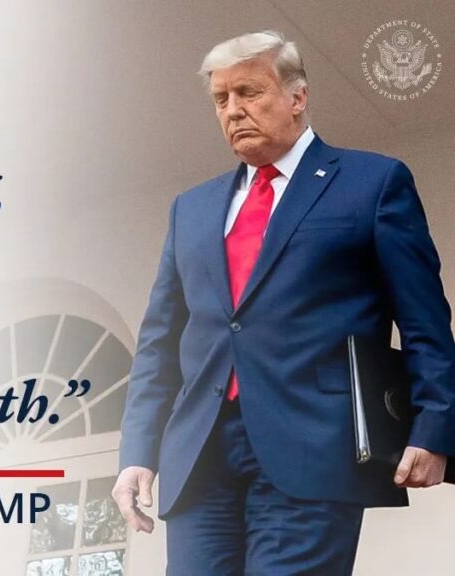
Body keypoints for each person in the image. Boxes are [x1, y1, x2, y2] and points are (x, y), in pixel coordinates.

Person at [112, 30, 455, 574]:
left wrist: (434, 426)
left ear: (298, 96)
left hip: (313, 446)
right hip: (200, 454)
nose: (233, 110)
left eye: (249, 92)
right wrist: (137, 451)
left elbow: (424, 320)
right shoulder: (191, 209)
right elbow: (159, 341)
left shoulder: (372, 183)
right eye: (221, 99)